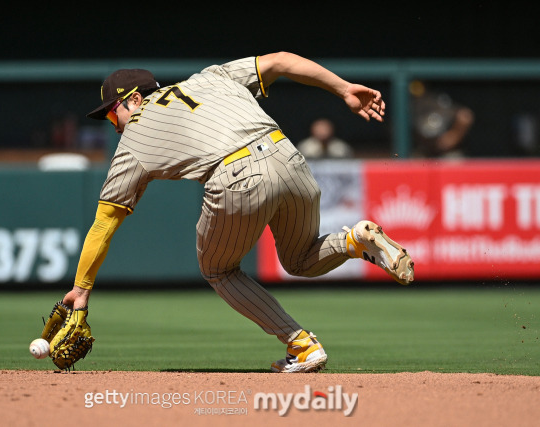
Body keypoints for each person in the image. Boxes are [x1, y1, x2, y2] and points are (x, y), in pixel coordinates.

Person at [54, 52, 414, 373]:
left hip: (236, 176)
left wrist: (81, 289)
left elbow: (104, 223)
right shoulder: (211, 76)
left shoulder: (134, 135)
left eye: (111, 113)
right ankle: (355, 240)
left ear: (133, 99)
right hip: (288, 157)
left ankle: (302, 345)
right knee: (300, 260)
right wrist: (344, 88)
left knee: (219, 270)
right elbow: (282, 60)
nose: (112, 124)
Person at [410, 80, 474, 158]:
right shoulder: (409, 107)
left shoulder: (437, 101)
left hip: (447, 152)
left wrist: (452, 136)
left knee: (454, 160)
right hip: (425, 151)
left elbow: (465, 116)